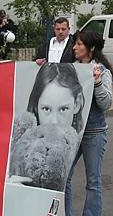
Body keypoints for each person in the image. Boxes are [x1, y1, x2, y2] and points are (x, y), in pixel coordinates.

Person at [63, 31, 113, 216]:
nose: (74, 47)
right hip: (72, 132)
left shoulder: (102, 71)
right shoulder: (71, 69)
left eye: (79, 44)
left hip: (93, 131)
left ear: (91, 48)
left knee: (93, 180)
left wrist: (98, 82)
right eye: (75, 43)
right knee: (63, 176)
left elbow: (106, 104)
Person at [9, 63, 84, 191]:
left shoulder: (80, 142)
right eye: (46, 109)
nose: (54, 121)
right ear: (36, 106)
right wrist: (11, 184)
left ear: (76, 104)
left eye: (63, 109)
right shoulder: (19, 146)